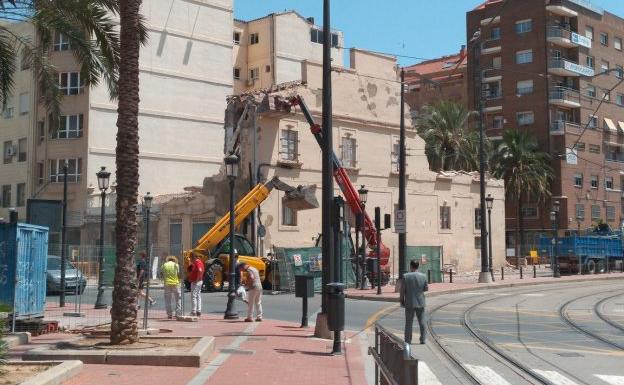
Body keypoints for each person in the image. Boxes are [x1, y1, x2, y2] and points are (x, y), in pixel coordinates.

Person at [400, 259, 428, 345]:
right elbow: (425, 288)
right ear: (418, 266)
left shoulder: (406, 276)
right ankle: (423, 339)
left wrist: (402, 301)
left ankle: (408, 340)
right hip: (420, 302)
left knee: (409, 323)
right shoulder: (423, 276)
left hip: (409, 302)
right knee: (422, 321)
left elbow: (402, 291)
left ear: (411, 266)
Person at [188, 252, 205, 317]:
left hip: (196, 282)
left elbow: (200, 270)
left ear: (193, 257)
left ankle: (194, 311)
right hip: (198, 281)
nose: (190, 259)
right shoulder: (196, 263)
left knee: (194, 296)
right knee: (198, 296)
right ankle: (198, 311)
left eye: (191, 258)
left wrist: (197, 280)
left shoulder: (197, 262)